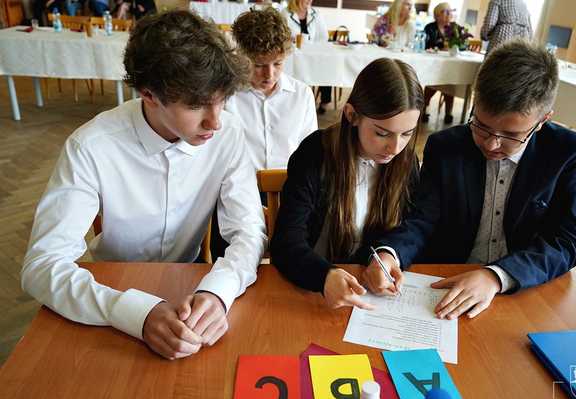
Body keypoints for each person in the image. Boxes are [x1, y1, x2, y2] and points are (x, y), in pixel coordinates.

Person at [21, 11, 267, 360]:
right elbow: (41, 265)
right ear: (148, 94)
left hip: (192, 281)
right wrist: (135, 312)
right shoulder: (92, 145)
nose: (215, 121)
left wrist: (219, 292)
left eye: (222, 100)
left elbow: (249, 230)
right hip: (108, 289)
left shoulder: (229, 135)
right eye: (197, 105)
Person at [361, 40, 576, 320]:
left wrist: (496, 276)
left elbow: (567, 242)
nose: (492, 144)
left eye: (510, 135)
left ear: (543, 120)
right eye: (481, 126)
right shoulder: (446, 147)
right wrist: (390, 253)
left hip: (522, 289)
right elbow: (422, 219)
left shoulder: (567, 152)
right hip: (444, 284)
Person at [271, 58, 423, 310]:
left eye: (407, 134)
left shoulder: (406, 160)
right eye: (382, 133)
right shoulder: (315, 152)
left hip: (368, 292)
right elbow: (286, 241)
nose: (395, 148)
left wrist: (385, 258)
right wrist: (324, 276)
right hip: (310, 288)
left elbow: (410, 227)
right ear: (352, 115)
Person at [225, 7, 317, 172]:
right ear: (241, 57)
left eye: (278, 63)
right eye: (259, 65)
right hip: (242, 185)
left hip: (290, 186)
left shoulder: (302, 95)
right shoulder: (228, 95)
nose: (269, 74)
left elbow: (310, 153)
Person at [422, 2, 469, 124]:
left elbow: (464, 46)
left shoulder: (456, 28)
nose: (450, 14)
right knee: (434, 81)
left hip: (451, 65)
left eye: (451, 11)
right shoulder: (430, 28)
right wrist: (441, 47)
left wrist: (455, 47)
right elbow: (427, 45)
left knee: (450, 82)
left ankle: (449, 113)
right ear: (437, 15)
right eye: (446, 12)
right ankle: (423, 108)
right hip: (434, 65)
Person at [282, 0, 332, 114]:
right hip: (293, 55)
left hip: (313, 55)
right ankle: (294, 100)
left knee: (327, 65)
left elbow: (323, 36)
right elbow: (280, 35)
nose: (310, 0)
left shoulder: (316, 13)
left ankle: (324, 101)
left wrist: (313, 45)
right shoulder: (285, 13)